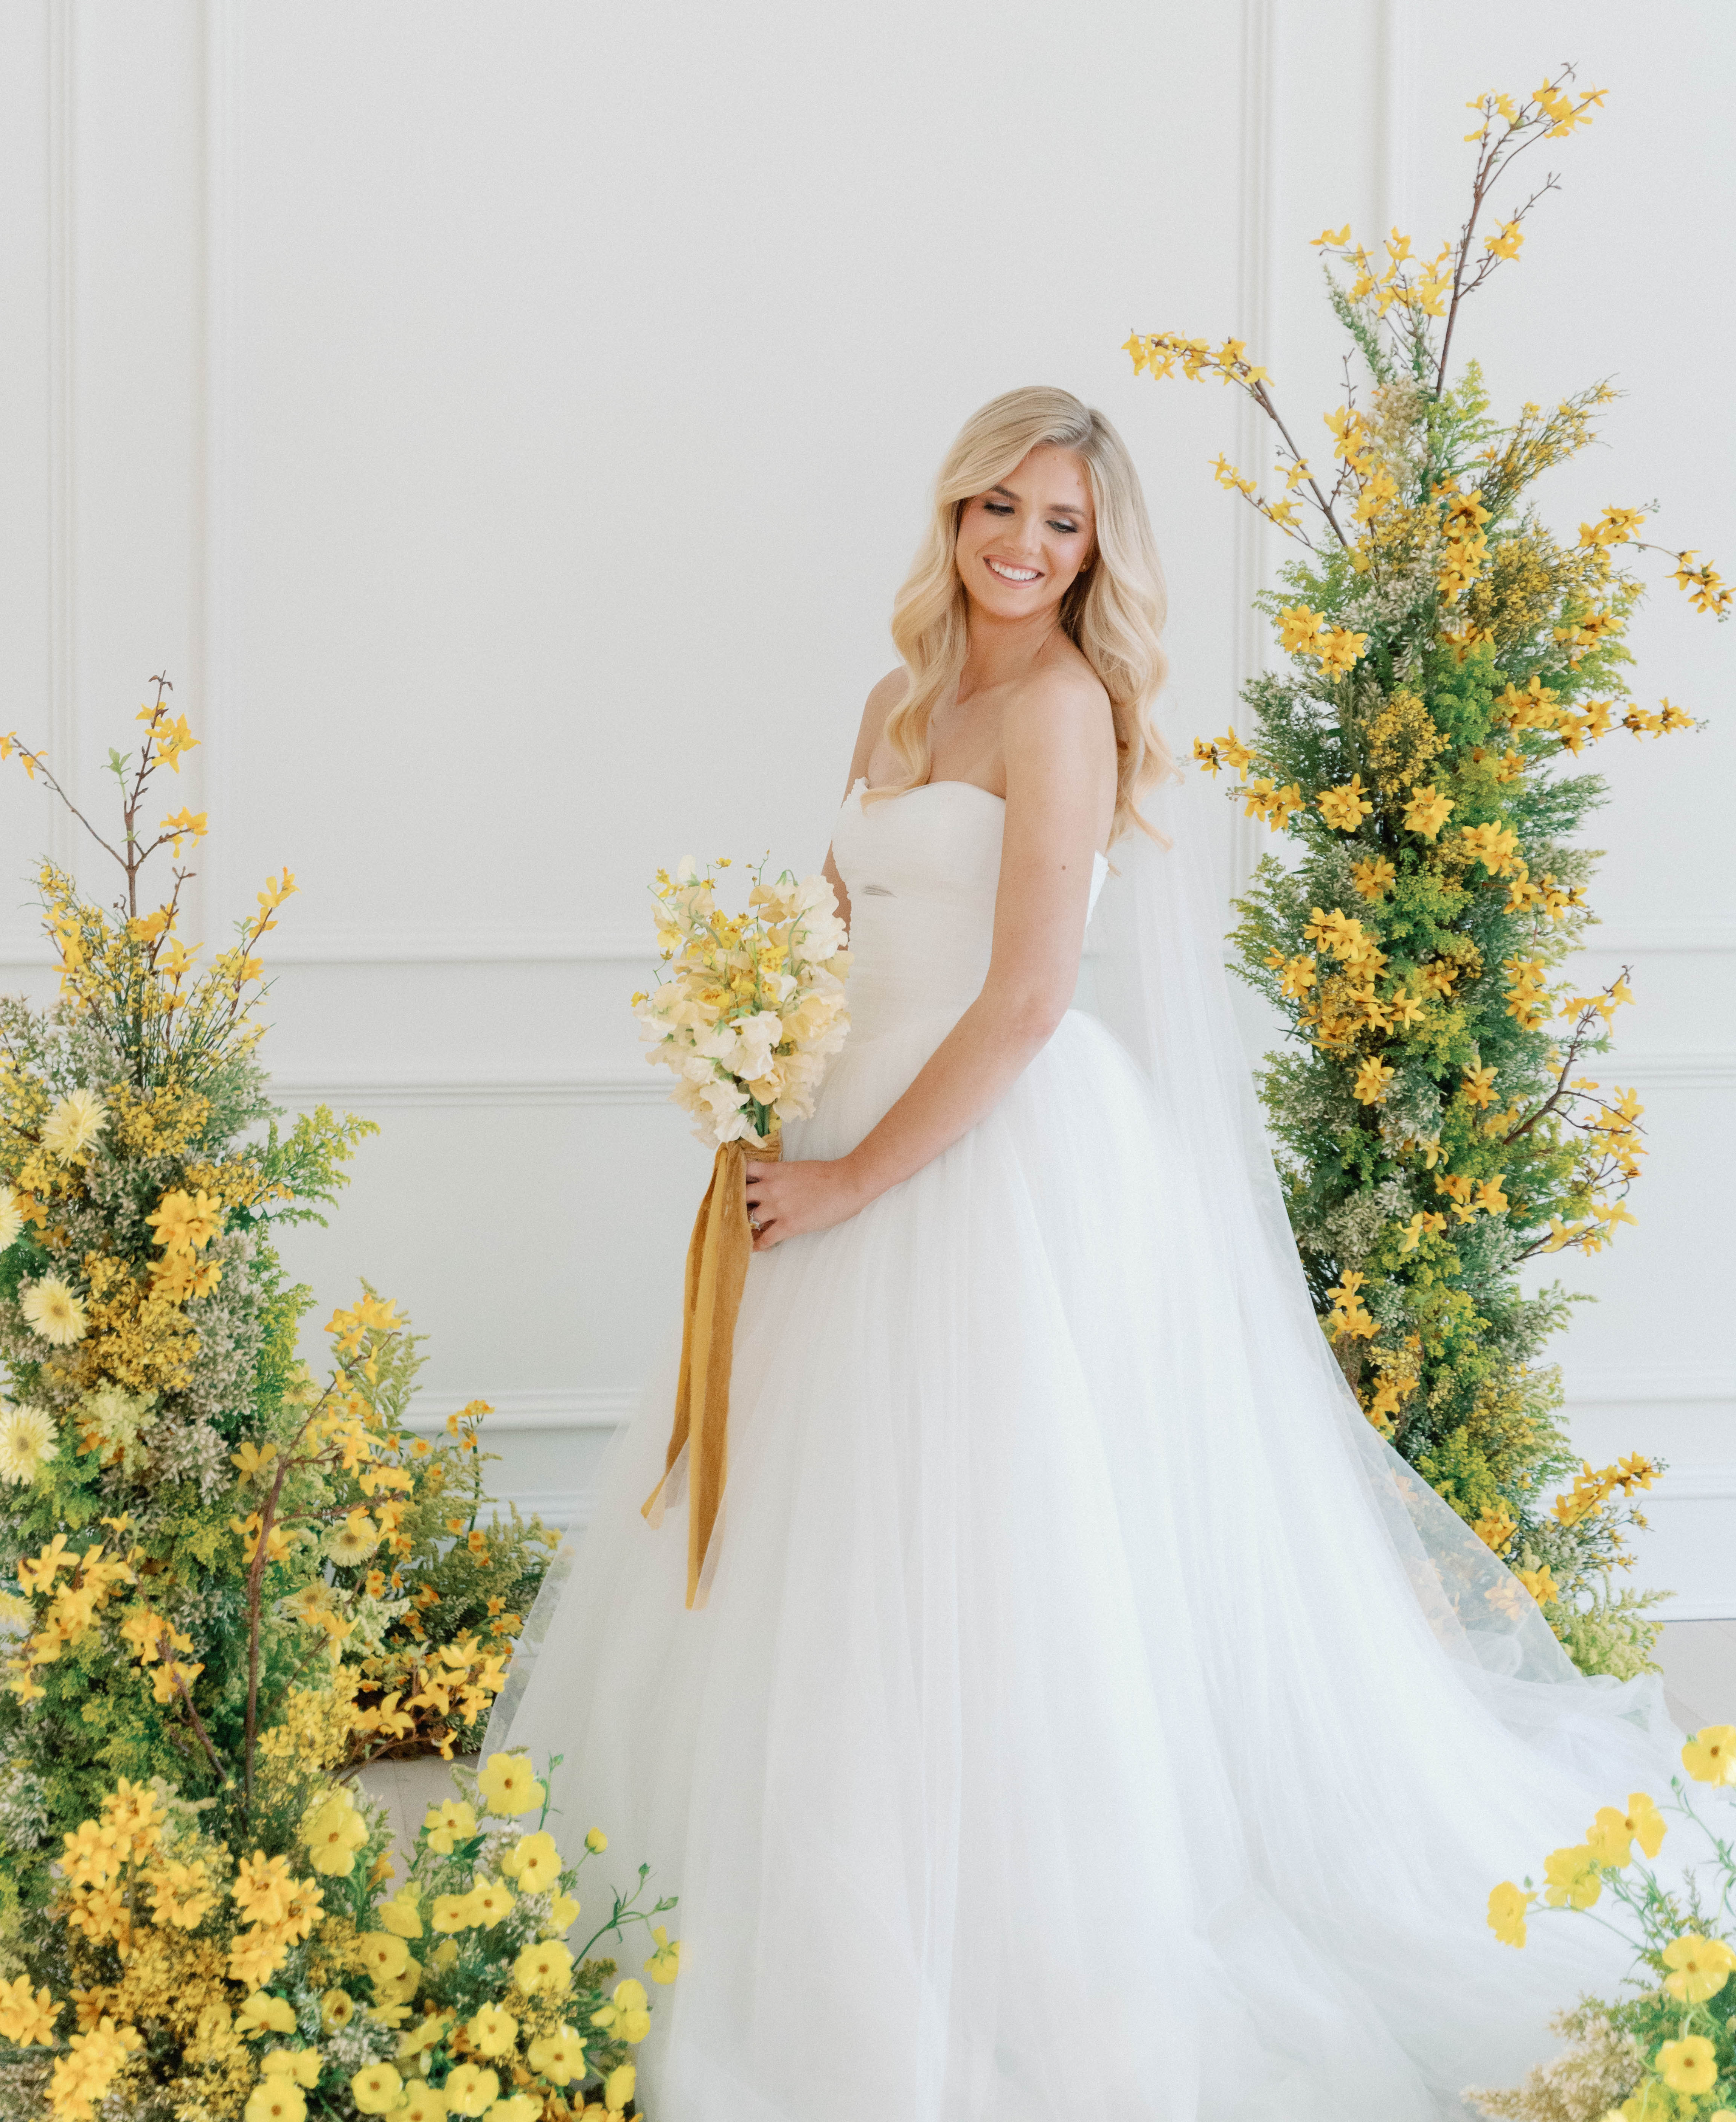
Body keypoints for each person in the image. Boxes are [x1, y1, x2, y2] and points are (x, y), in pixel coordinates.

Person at [487, 386, 1696, 2118]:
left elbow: (1032, 1000)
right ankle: (811, 1899)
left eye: (1063, 528)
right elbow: (829, 930)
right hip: (837, 1126)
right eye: (1002, 511)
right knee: (814, 1550)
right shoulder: (897, 700)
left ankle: (1003, 1948)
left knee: (985, 1557)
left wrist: (855, 1185)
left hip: (981, 1156)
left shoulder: (1060, 712)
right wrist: (755, 1053)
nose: (1024, 550)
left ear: (1095, 555)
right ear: (954, 513)